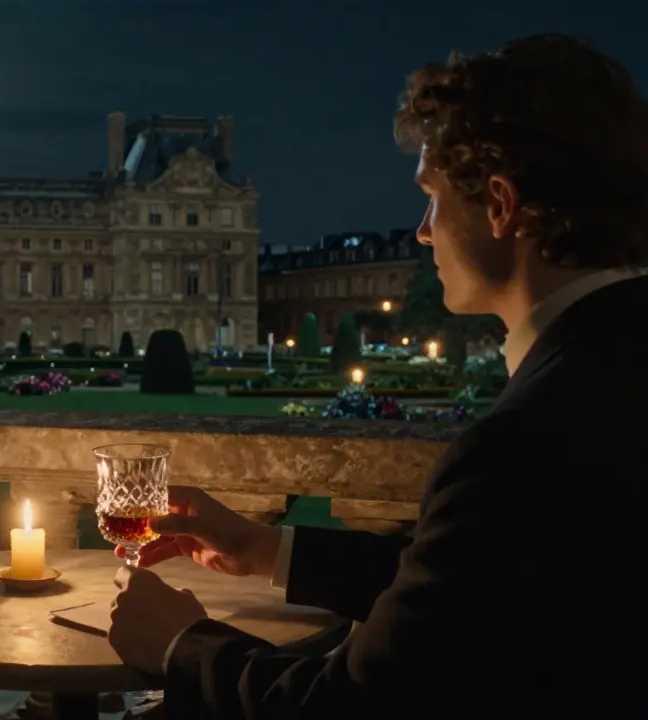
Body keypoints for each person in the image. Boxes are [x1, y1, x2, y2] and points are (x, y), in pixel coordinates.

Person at [108, 34, 648, 719]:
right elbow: (484, 581)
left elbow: (356, 706)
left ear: (501, 206)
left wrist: (181, 643)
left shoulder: (524, 444)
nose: (423, 232)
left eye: (432, 198)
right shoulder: (614, 364)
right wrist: (267, 547)